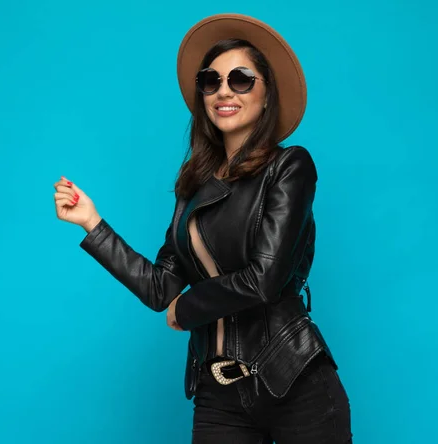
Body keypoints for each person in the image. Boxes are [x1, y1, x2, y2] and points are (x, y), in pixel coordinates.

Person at [53, 13, 352, 444]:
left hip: (294, 381)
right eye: (211, 81)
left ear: (267, 95)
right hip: (219, 391)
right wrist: (92, 224)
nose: (224, 90)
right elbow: (160, 289)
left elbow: (264, 279)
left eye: (241, 79)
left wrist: (188, 309)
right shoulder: (193, 186)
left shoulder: (289, 167)